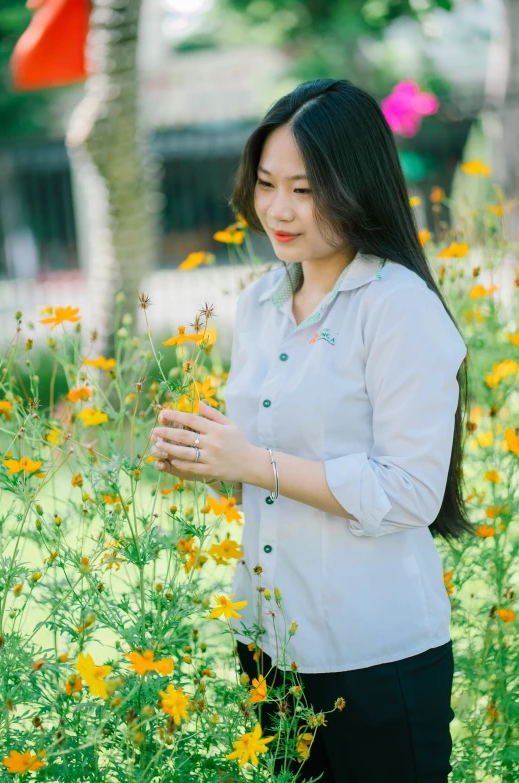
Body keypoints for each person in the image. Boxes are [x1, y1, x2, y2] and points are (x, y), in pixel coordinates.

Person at [150, 79, 475, 782]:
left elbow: (411, 491)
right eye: (267, 183)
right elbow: (268, 460)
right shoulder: (262, 303)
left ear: (357, 184)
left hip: (375, 653)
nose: (278, 208)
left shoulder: (398, 309)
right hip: (272, 644)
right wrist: (207, 455)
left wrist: (254, 459)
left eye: (305, 187)